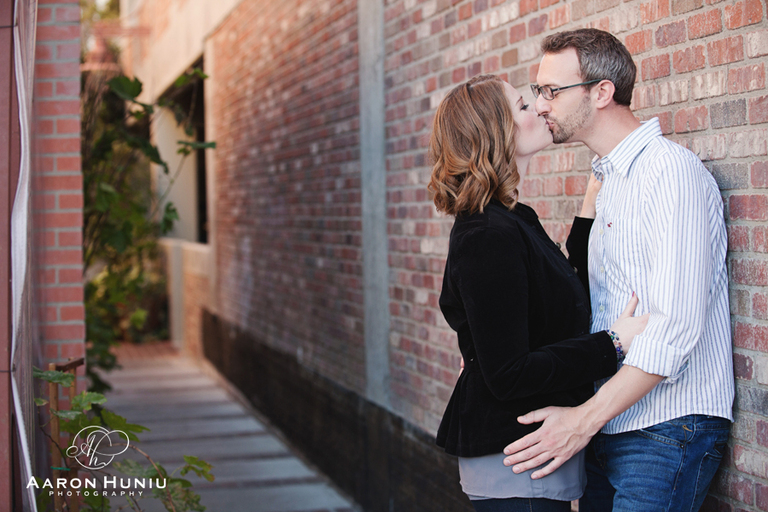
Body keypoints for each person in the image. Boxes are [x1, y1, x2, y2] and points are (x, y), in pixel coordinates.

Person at [501, 29, 735, 512]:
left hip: (666, 426)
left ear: (601, 92)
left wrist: (583, 421)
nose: (541, 104)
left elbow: (674, 327)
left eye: (552, 90)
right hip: (611, 423)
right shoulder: (610, 181)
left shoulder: (669, 173)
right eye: (538, 90)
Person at [429, 74, 648, 512]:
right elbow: (508, 371)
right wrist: (614, 343)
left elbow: (561, 293)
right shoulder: (486, 233)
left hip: (531, 455)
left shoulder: (511, 218)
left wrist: (589, 209)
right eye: (524, 107)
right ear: (496, 134)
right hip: (516, 459)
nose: (540, 109)